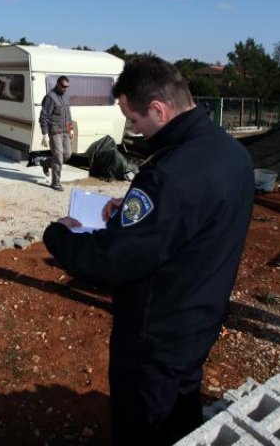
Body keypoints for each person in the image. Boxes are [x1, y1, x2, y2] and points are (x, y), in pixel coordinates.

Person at [42, 56, 254, 445]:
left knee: (142, 424)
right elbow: (195, 221)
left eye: (134, 120)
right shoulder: (231, 153)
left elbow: (111, 261)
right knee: (181, 413)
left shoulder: (168, 175)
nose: (132, 128)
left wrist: (59, 236)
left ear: (158, 108)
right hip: (200, 317)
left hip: (156, 333)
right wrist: (132, 212)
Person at [38, 76, 74, 191]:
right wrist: (44, 133)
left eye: (67, 87)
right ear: (58, 84)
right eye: (63, 86)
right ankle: (56, 183)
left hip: (65, 131)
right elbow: (43, 116)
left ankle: (45, 162)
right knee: (58, 156)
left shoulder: (66, 97)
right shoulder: (50, 97)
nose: (65, 89)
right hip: (55, 131)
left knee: (67, 154)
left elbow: (68, 115)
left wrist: (71, 128)